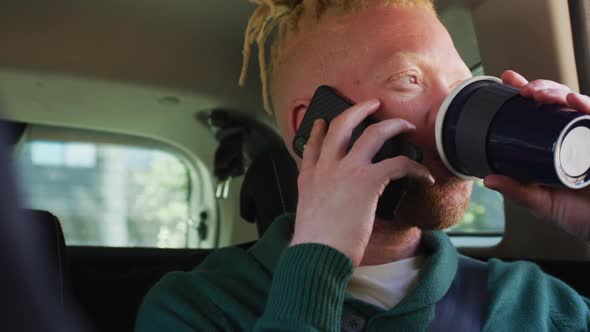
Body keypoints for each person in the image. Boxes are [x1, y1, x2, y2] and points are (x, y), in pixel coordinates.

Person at [135, 0, 590, 330]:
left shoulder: (535, 304)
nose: (451, 107)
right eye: (409, 80)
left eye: (463, 84)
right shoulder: (196, 309)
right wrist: (317, 267)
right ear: (315, 126)